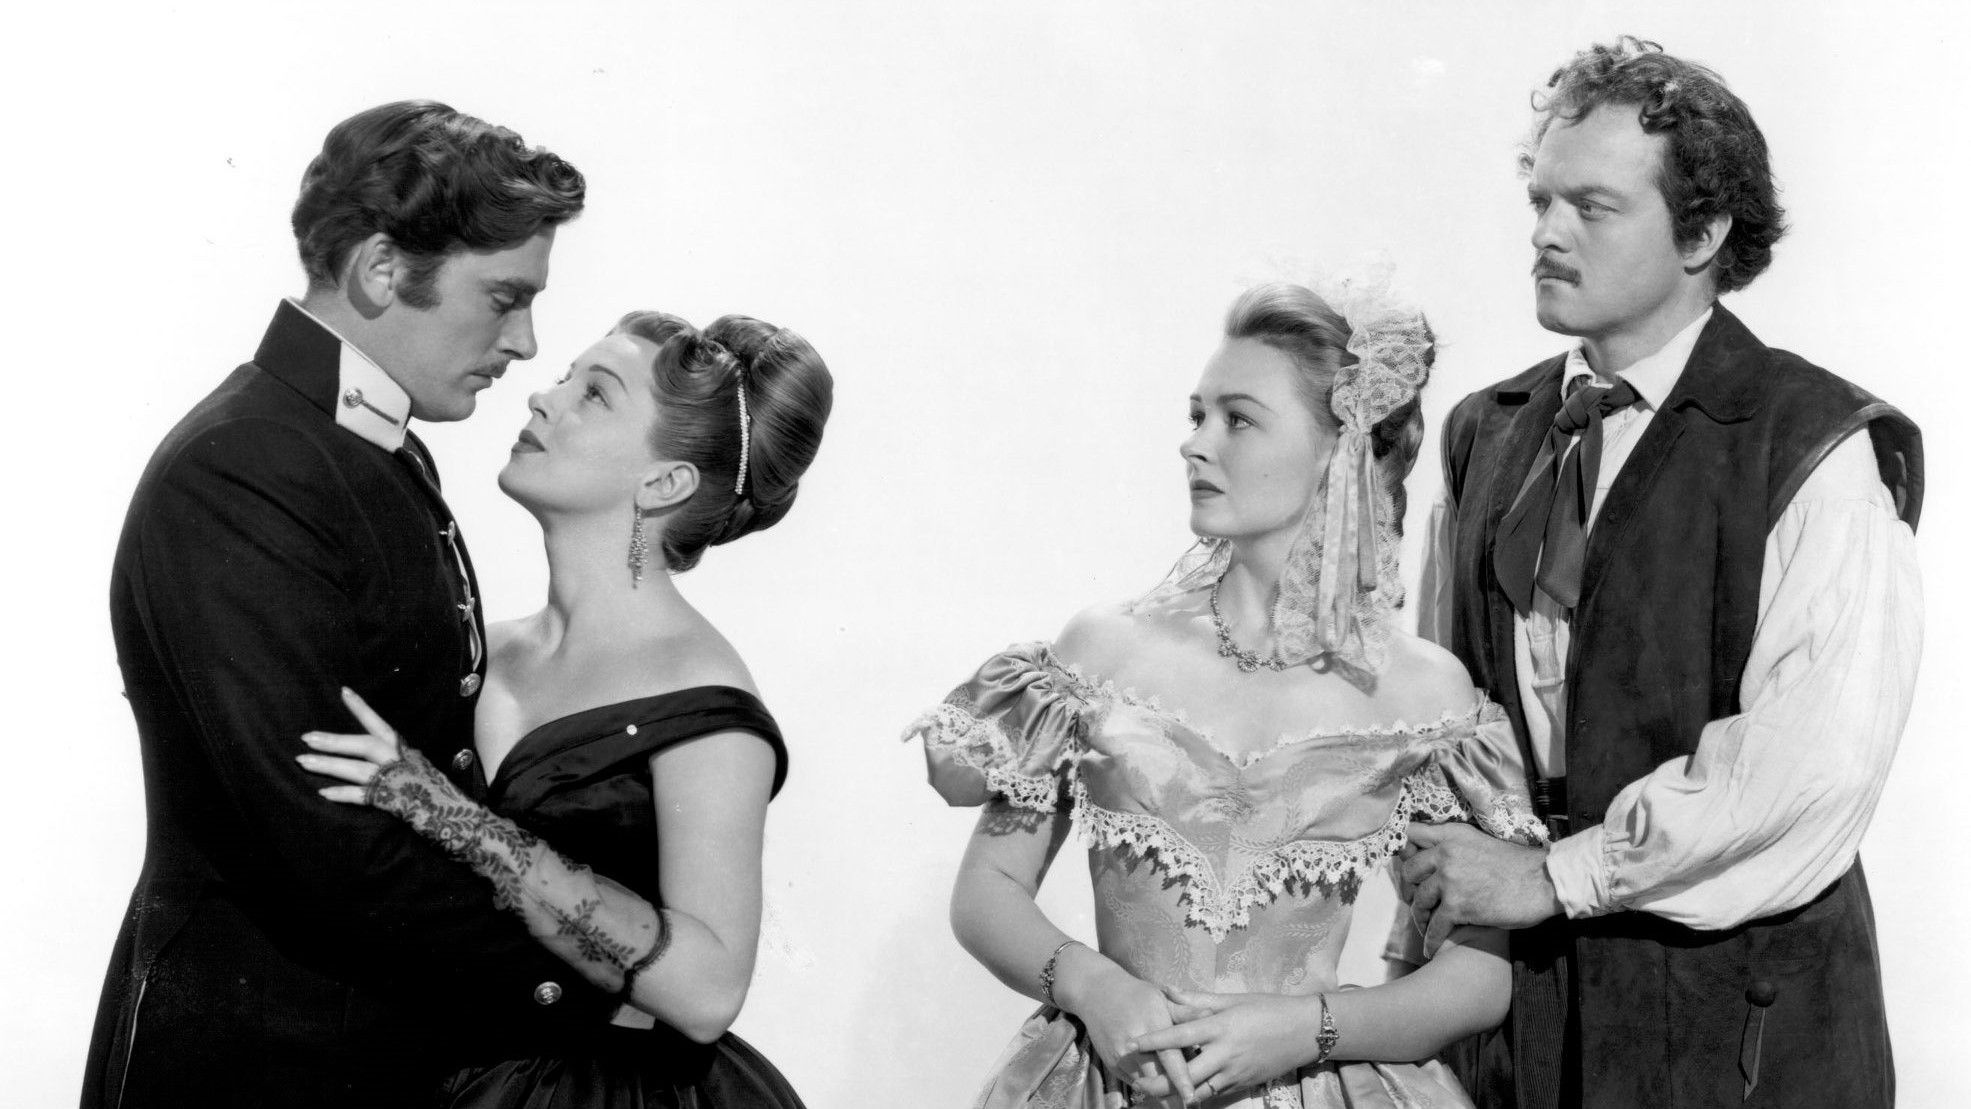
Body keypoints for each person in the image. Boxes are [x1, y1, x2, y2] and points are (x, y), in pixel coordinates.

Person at [1403, 37, 1923, 1108]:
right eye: (1541, 200)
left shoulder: (1811, 445)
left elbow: (1803, 770)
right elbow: (1435, 708)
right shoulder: (1484, 434)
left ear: (1704, 231)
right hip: (1519, 1008)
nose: (1545, 233)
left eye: (1592, 207)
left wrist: (1555, 875)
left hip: (1735, 1027)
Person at [908, 279, 1550, 1108]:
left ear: (1337, 451)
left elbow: (1476, 976)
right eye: (1196, 414)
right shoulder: (1100, 650)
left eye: (1237, 419)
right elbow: (986, 889)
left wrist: (1305, 1028)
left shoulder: (1423, 692)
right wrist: (1098, 989)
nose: (1195, 443)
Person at [84, 101, 603, 1108]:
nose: (525, 341)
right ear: (380, 268)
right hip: (254, 1065)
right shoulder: (243, 467)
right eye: (504, 298)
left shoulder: (364, 448)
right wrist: (588, 980)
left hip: (369, 1044)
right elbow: (322, 840)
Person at [296, 311, 832, 1106]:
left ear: (664, 483)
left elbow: (708, 989)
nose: (542, 399)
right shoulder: (477, 645)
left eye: (595, 394)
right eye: (563, 379)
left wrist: (446, 813)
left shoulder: (706, 700)